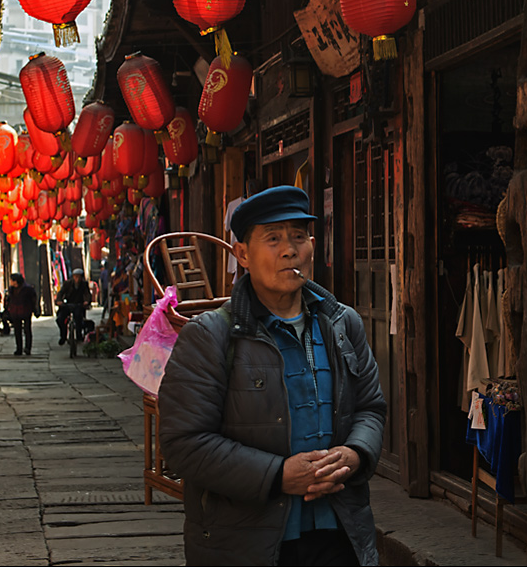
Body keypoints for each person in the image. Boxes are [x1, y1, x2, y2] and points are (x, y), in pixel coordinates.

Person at [159, 185, 386, 566]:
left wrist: (356, 453)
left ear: (313, 245)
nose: (289, 250)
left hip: (340, 532)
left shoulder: (342, 323)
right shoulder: (210, 336)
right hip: (248, 542)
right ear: (242, 254)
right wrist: (277, 474)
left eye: (298, 237)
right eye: (273, 238)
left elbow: (370, 407)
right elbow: (184, 443)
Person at [56, 268, 93, 345]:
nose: (77, 279)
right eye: (76, 277)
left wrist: (86, 301)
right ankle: (63, 336)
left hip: (78, 305)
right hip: (68, 304)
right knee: (60, 319)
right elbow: (61, 293)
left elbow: (87, 294)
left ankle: (79, 335)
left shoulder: (84, 284)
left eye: (79, 277)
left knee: (78, 318)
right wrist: (59, 301)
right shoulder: (67, 284)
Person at [5, 272, 37, 356]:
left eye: (12, 280)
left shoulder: (27, 289)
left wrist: (35, 309)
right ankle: (18, 348)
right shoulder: (11, 289)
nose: (11, 282)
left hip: (26, 311)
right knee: (17, 331)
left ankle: (27, 348)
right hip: (15, 312)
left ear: (16, 281)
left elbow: (33, 300)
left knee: (27, 330)